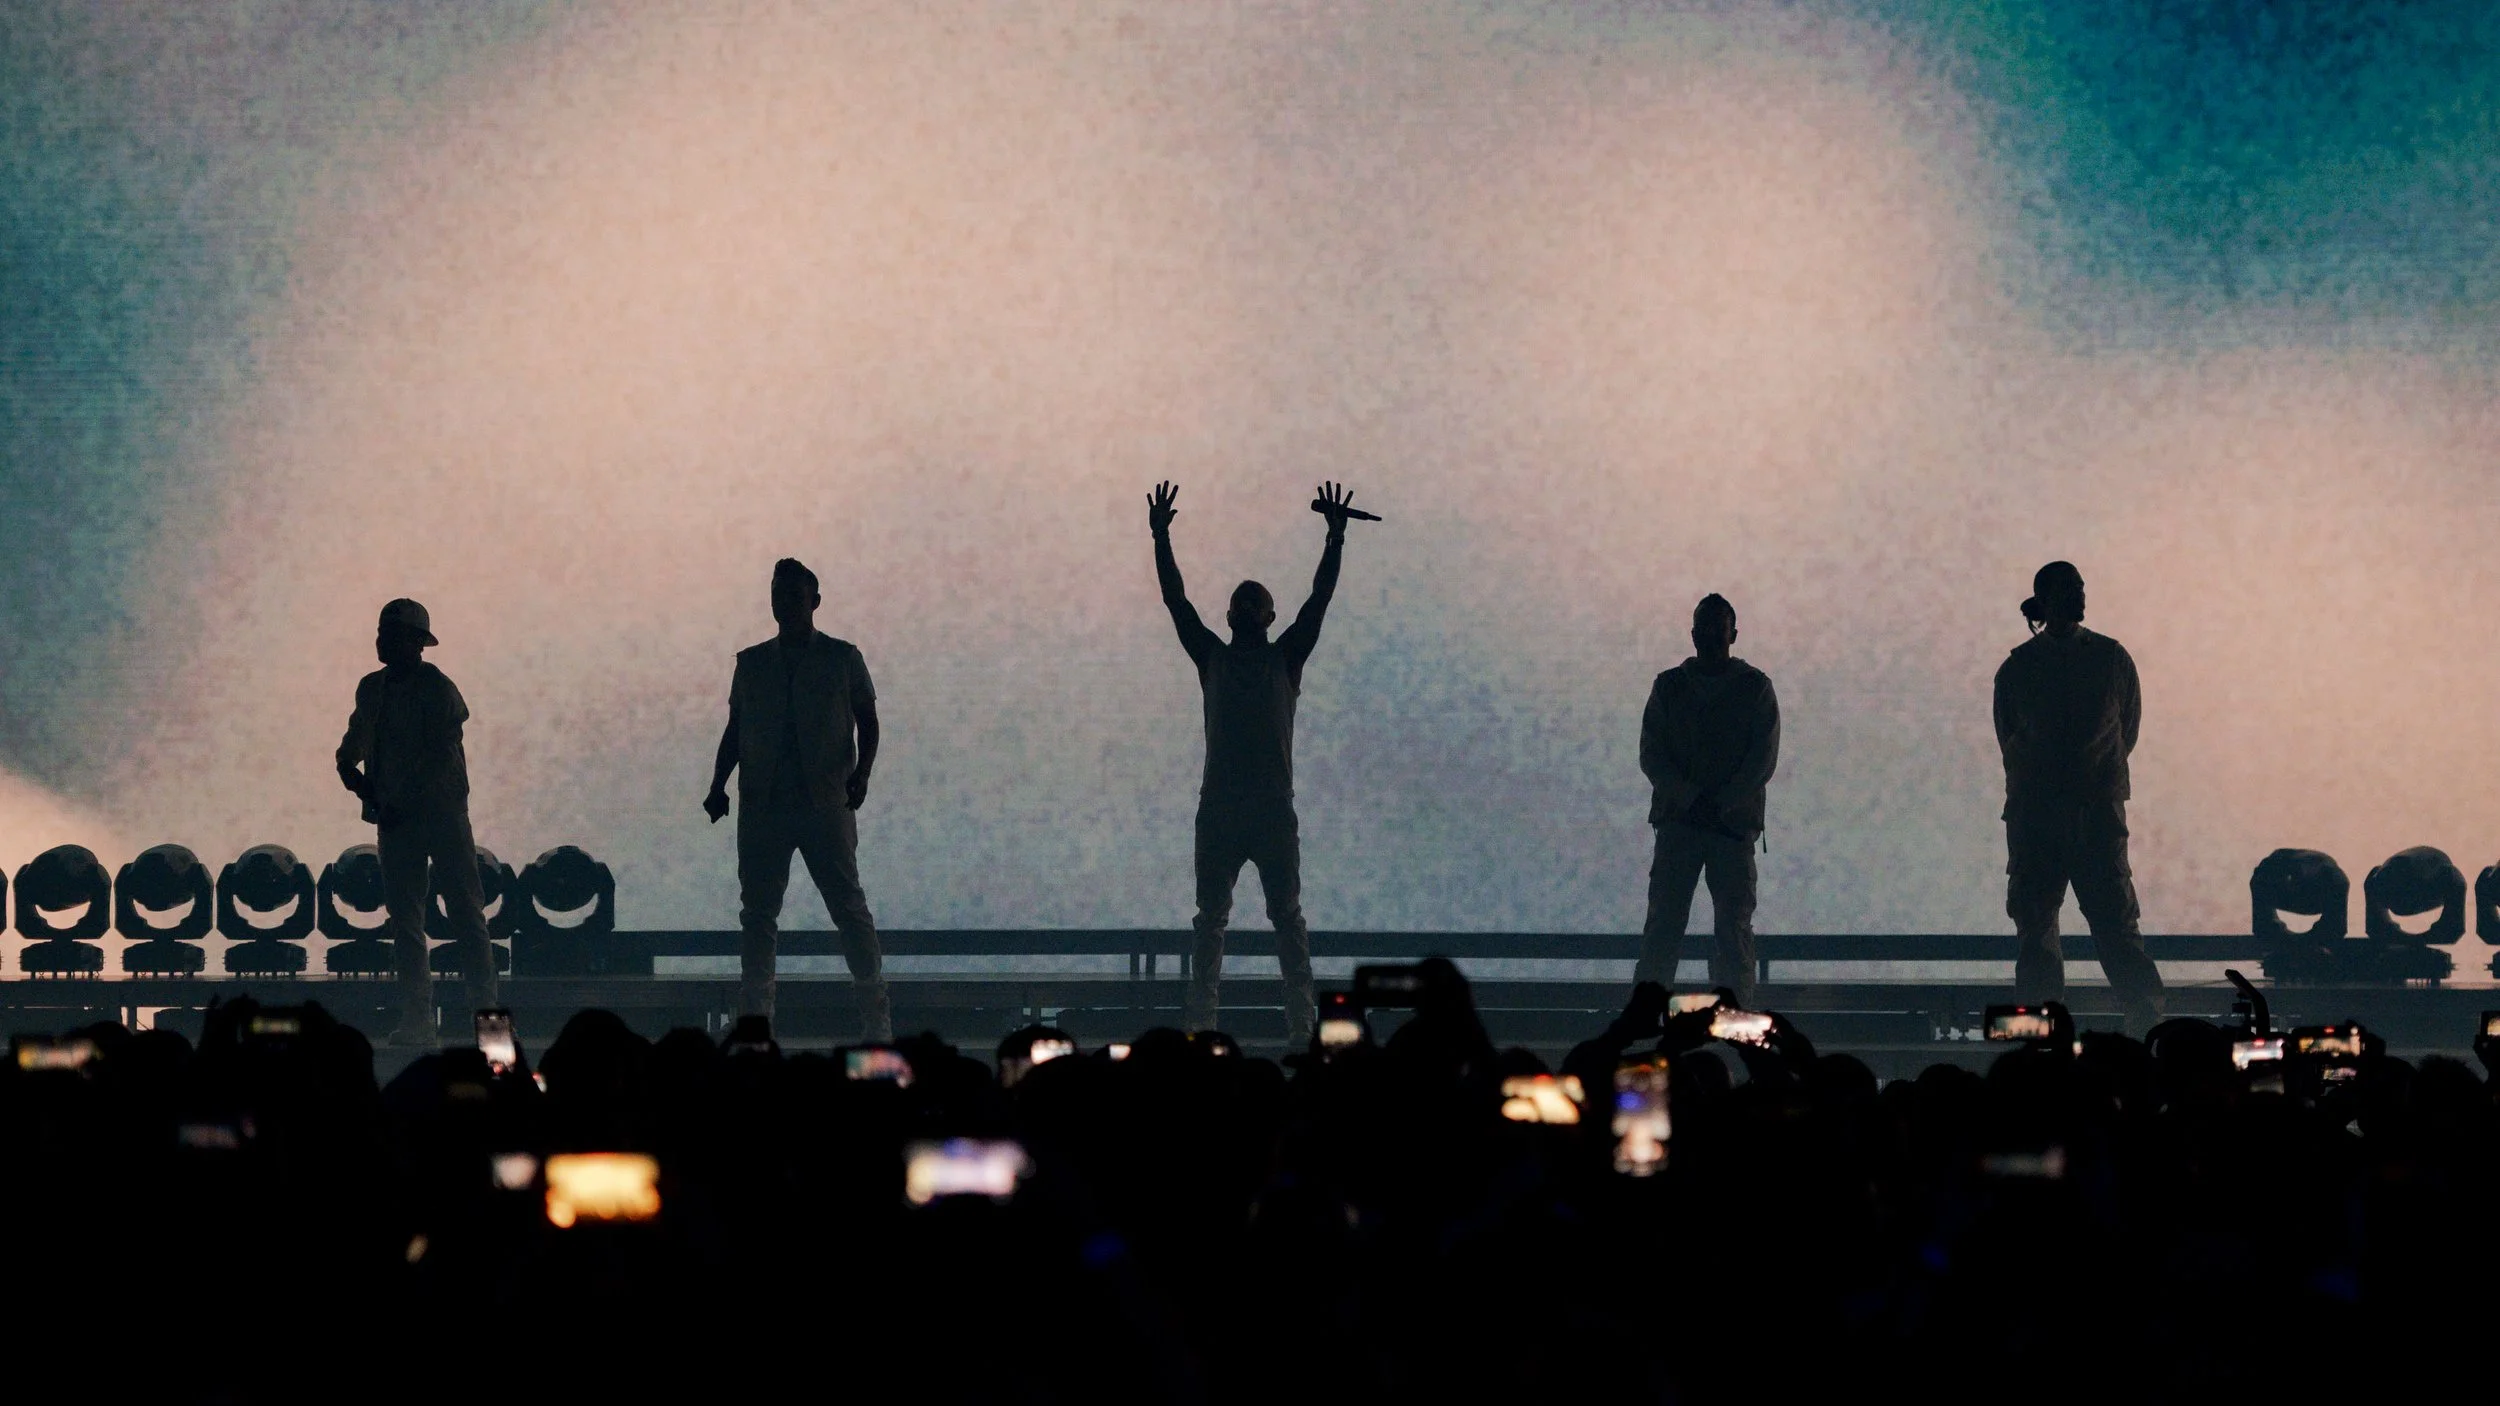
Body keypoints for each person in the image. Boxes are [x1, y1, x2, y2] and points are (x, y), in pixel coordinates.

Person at [1150, 480, 1360, 1046]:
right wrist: (1161, 538)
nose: (1246, 605)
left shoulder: (1284, 658)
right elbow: (1176, 601)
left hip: (1265, 808)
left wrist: (1335, 539)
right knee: (1215, 923)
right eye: (1240, 599)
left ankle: (1300, 1031)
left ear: (1268, 616)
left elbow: (1319, 601)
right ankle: (1202, 1031)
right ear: (1234, 614)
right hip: (1223, 808)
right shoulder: (1213, 657)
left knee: (1282, 919)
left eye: (1255, 600)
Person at [704, 558, 891, 1041]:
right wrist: (717, 784)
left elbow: (868, 722)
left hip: (825, 800)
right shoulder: (752, 663)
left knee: (846, 907)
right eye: (777, 594)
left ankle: (876, 1017)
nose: (782, 603)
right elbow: (736, 730)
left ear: (814, 601)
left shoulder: (841, 658)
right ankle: (755, 1023)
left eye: (792, 595)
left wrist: (862, 775)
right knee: (759, 915)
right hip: (764, 803)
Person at [1994, 561, 2164, 1030]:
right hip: (2048, 815)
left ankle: (2142, 1019)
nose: (2079, 595)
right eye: (2069, 588)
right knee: (2039, 924)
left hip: (2083, 812)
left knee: (2111, 921)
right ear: (2045, 599)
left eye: (2081, 587)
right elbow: (2122, 732)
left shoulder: (2108, 659)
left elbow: (2124, 732)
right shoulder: (2021, 667)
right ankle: (2044, 1025)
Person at [335, 597, 496, 1045]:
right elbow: (353, 747)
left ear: (416, 643)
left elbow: (440, 756)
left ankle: (490, 1030)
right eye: (382, 633)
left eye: (392, 635)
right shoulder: (372, 690)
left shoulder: (438, 690)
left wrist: (391, 796)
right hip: (398, 822)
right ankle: (418, 1022)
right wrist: (358, 781)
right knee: (407, 922)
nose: (383, 641)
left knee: (466, 916)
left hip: (441, 817)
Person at [1632, 594, 1780, 1006]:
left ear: (1733, 633)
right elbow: (1652, 755)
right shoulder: (1678, 687)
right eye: (1708, 628)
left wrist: (1697, 801)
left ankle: (1655, 1016)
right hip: (1714, 826)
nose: (1713, 635)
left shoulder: (1744, 688)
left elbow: (1760, 761)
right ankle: (1724, 1018)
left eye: (1718, 628)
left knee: (1714, 930)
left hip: (1703, 825)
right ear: (1696, 634)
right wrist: (1713, 802)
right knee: (1684, 928)